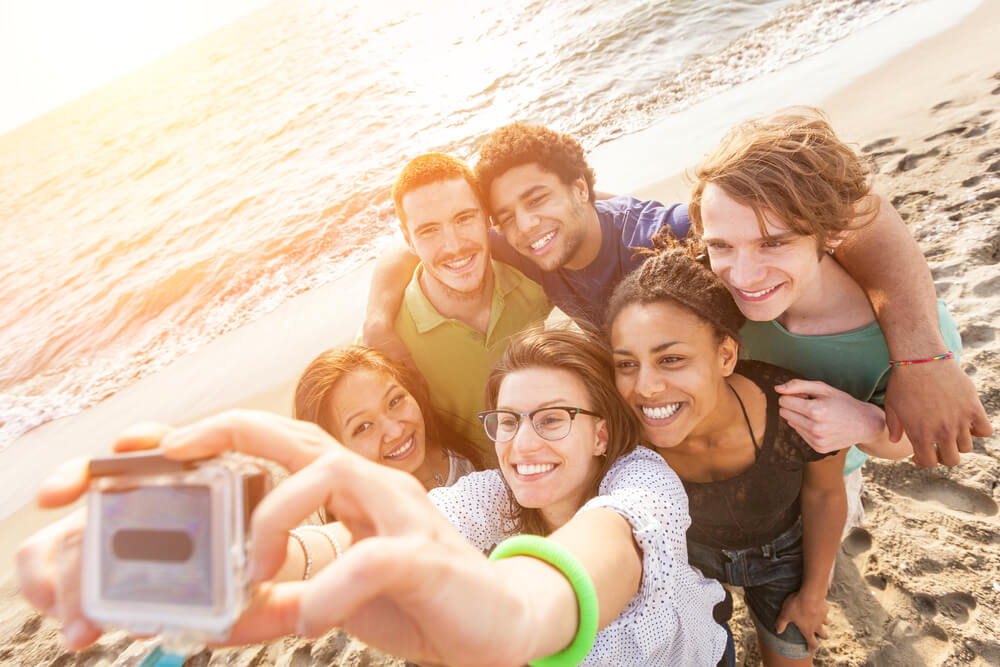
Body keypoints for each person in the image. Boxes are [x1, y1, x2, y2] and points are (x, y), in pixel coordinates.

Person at [18, 329, 732, 666]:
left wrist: (513, 614)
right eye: (508, 422)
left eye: (553, 419)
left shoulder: (642, 485)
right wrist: (257, 551)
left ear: (601, 431)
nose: (523, 443)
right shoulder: (487, 495)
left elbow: (587, 560)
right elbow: (367, 539)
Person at [364, 121, 991, 468]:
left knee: (823, 506)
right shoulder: (525, 239)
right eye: (505, 215)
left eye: (538, 201)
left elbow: (860, 211)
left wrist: (920, 356)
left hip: (807, 421)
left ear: (584, 190)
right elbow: (421, 242)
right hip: (731, 406)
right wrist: (377, 322)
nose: (525, 225)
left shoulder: (669, 234)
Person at [686, 108, 969, 531]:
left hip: (832, 481)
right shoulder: (714, 290)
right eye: (722, 246)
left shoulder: (917, 339)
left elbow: (906, 442)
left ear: (833, 231)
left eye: (773, 243)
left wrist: (864, 422)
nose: (743, 276)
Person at [607, 248, 848, 665]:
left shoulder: (796, 412)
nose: (644, 388)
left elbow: (825, 495)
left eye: (672, 359)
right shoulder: (628, 439)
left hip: (782, 553)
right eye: (626, 363)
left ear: (726, 355)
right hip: (692, 557)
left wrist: (812, 595)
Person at [369, 153, 552, 461]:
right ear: (408, 240)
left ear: (486, 217)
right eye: (429, 230)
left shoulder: (533, 282)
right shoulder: (386, 342)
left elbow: (584, 221)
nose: (454, 246)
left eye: (464, 218)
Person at [294, 344, 482, 490]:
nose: (396, 431)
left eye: (395, 401)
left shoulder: (452, 446)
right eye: (363, 427)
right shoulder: (377, 526)